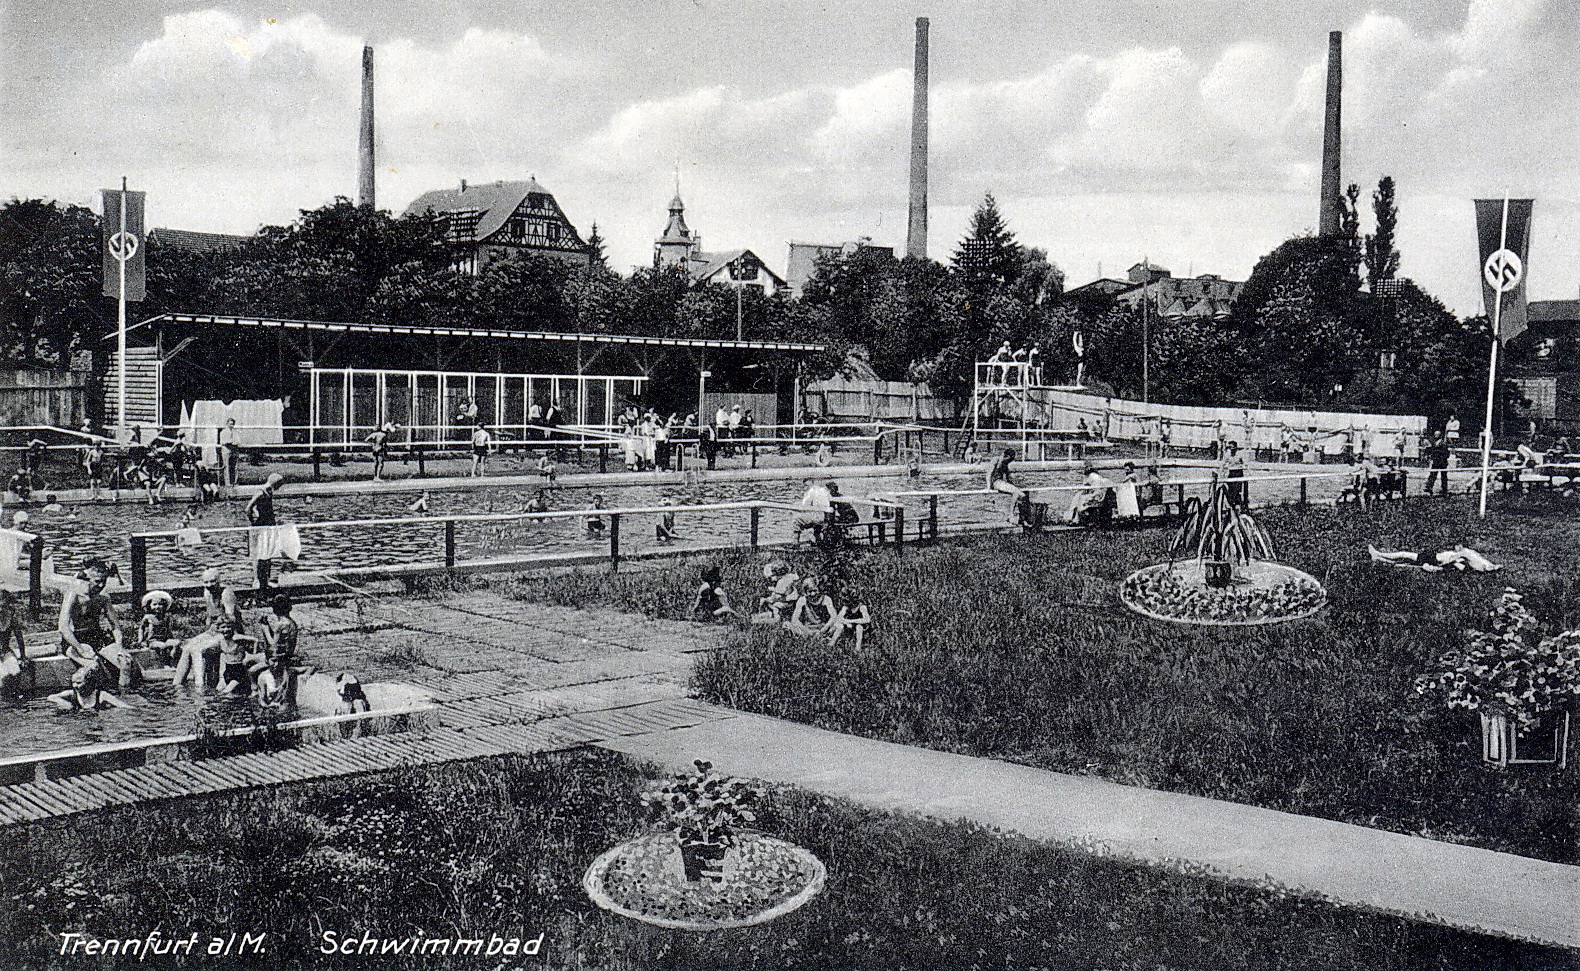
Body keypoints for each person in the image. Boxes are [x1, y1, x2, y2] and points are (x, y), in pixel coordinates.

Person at [59, 561, 138, 690]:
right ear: (88, 579)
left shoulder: (103, 598)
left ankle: (125, 694)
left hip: (96, 636)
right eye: (97, 581)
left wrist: (119, 646)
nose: (101, 585)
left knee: (125, 662)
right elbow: (63, 627)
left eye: (104, 581)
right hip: (76, 639)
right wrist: (80, 649)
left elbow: (115, 625)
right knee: (94, 666)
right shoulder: (74, 595)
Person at [246, 473, 286, 591]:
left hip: (269, 528)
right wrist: (253, 521)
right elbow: (248, 508)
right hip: (260, 528)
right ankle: (257, 580)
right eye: (279, 485)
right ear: (275, 483)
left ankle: (265, 580)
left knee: (268, 554)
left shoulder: (269, 492)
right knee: (259, 555)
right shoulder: (261, 492)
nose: (279, 488)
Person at [49, 665, 129, 711]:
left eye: (79, 683)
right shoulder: (72, 693)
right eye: (73, 682)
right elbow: (51, 697)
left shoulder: (101, 695)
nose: (74, 685)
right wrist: (64, 703)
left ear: (89, 682)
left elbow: (124, 706)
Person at [0, 589, 33, 700]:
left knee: (16, 672)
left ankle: (11, 700)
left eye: (3, 605)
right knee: (3, 676)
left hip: (5, 651)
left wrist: (23, 656)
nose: (1, 608)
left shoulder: (11, 617)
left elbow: (19, 638)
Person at [135, 590, 182, 665]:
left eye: (160, 604)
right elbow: (141, 628)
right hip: (152, 641)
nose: (157, 606)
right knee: (163, 646)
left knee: (177, 643)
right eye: (154, 604)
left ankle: (172, 659)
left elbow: (168, 630)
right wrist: (140, 640)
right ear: (150, 606)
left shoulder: (166, 618)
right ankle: (164, 663)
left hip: (164, 639)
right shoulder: (148, 617)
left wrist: (171, 638)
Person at [826, 584, 872, 650]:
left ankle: (858, 647)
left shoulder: (861, 606)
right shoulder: (846, 607)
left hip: (861, 626)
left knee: (859, 627)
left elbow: (867, 619)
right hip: (850, 626)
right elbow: (838, 618)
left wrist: (851, 621)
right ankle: (831, 643)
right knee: (840, 626)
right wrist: (844, 622)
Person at [988, 449, 1027, 525]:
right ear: (1006, 456)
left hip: (1001, 482)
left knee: (1022, 495)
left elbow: (1008, 477)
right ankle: (1011, 516)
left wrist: (1013, 485)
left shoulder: (1005, 463)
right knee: (1016, 492)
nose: (1009, 461)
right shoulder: (995, 460)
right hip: (996, 482)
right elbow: (989, 474)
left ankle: (1021, 518)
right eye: (1009, 459)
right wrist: (989, 487)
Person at [793, 480, 835, 544]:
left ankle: (796, 542)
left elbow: (804, 506)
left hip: (817, 517)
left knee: (796, 520)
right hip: (825, 517)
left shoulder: (811, 491)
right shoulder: (825, 492)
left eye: (805, 486)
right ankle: (818, 540)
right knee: (816, 522)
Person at [1221, 441, 1248, 507]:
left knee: (1237, 490)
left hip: (1238, 473)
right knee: (1231, 489)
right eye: (1229, 447)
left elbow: (1245, 464)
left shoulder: (1240, 455)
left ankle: (1238, 504)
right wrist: (1223, 470)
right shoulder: (1227, 455)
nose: (1231, 449)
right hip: (1231, 473)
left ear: (1236, 447)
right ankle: (1231, 504)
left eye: (1232, 447)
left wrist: (1242, 466)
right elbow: (1223, 464)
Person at [218, 418, 240, 487]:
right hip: (226, 450)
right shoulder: (223, 432)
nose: (231, 425)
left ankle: (234, 482)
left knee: (235, 466)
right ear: (227, 424)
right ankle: (227, 483)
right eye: (230, 424)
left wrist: (234, 442)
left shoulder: (235, 432)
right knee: (226, 466)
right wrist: (229, 441)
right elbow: (222, 442)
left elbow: (238, 441)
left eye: (233, 424)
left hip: (234, 449)